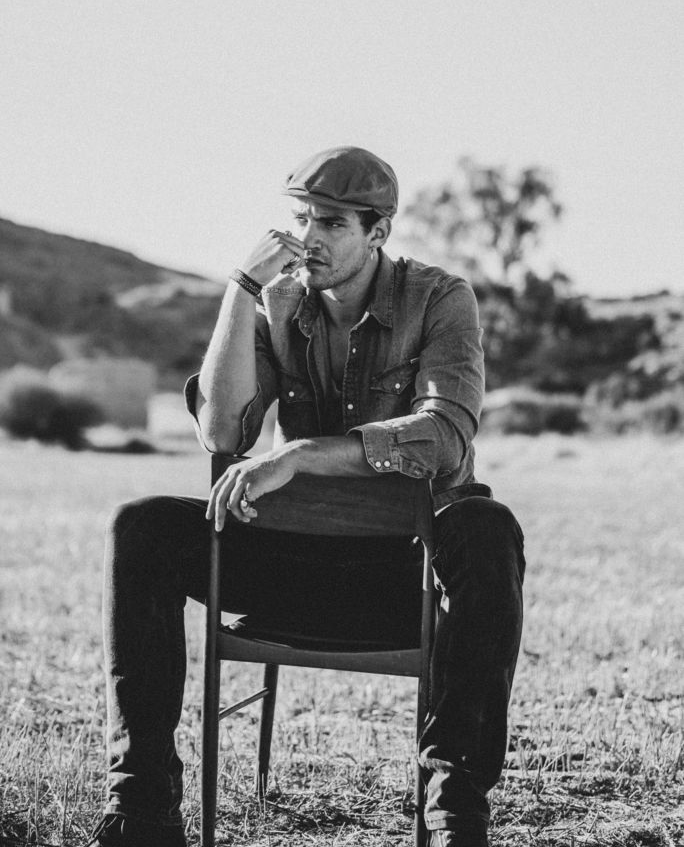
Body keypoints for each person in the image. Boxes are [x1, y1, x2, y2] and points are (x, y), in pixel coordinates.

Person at [89, 147, 525, 847]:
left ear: (378, 232)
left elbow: (446, 435)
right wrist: (241, 290)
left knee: (486, 527)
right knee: (141, 527)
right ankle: (141, 811)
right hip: (290, 570)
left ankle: (455, 814)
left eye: (331, 223)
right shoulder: (276, 303)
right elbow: (222, 432)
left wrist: (302, 454)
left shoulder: (441, 299)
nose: (308, 238)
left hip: (403, 578)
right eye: (300, 219)